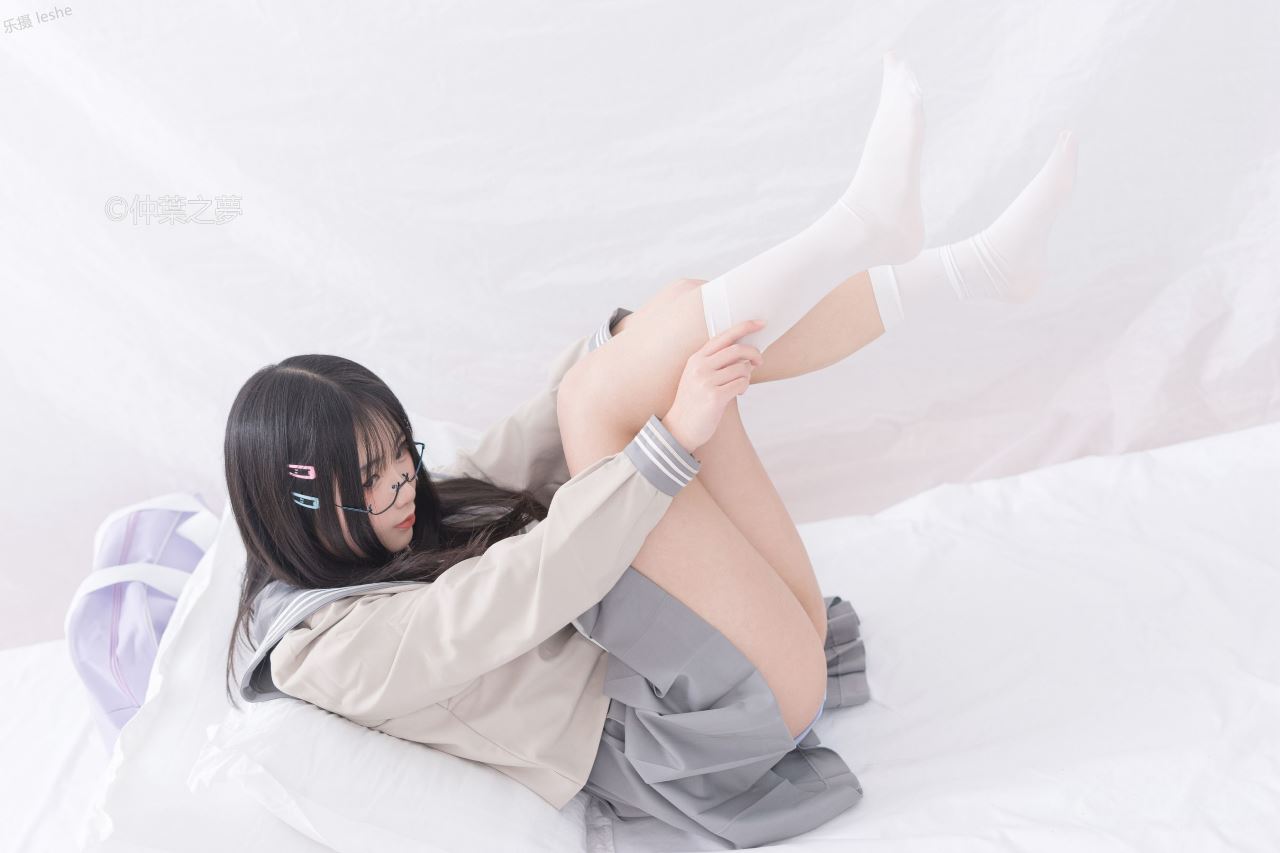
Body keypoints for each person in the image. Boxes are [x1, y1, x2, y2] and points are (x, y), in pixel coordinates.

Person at [225, 52, 1077, 849]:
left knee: (669, 321)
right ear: (304, 509)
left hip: (756, 658)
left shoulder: (381, 533)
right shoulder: (328, 651)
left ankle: (969, 269)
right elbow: (521, 585)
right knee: (611, 401)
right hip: (698, 729)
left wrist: (632, 342)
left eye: (399, 454)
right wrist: (664, 434)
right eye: (373, 478)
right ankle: (866, 229)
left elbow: (502, 456)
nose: (404, 482)